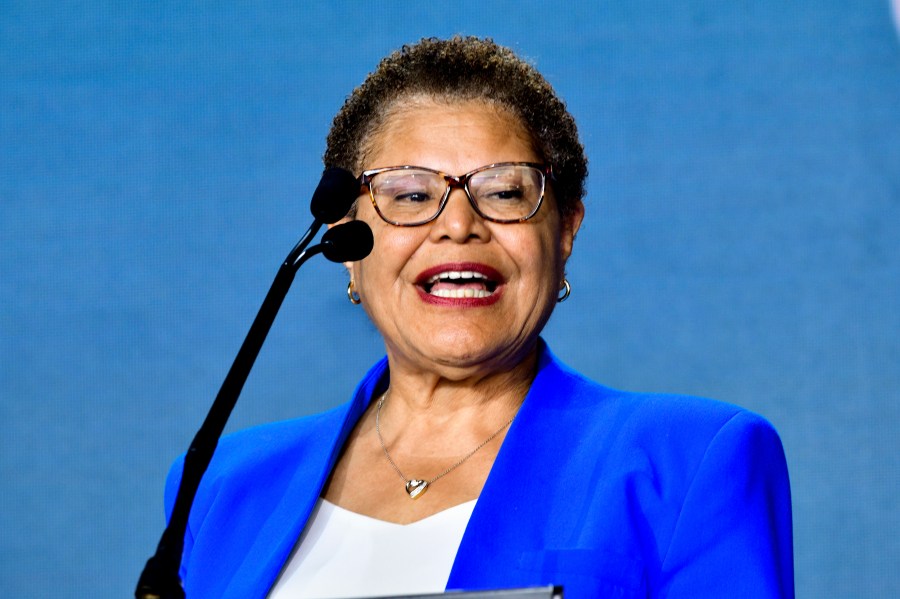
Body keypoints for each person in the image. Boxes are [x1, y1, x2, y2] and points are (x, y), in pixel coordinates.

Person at [165, 37, 794, 598]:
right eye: (411, 195)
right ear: (344, 240)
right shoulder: (221, 486)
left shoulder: (691, 460)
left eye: (503, 193)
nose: (458, 225)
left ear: (566, 228)